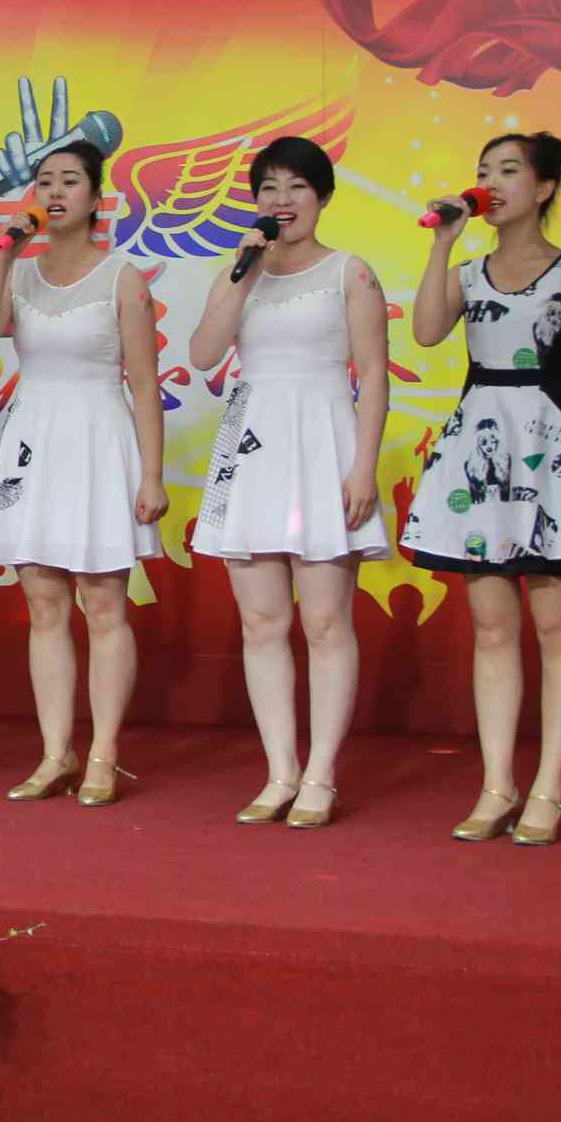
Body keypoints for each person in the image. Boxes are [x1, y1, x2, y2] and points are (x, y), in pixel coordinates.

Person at [404, 132, 561, 847]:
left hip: (552, 451)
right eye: (484, 171)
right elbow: (425, 332)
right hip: (480, 450)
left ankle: (549, 788)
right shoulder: (468, 273)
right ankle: (496, 785)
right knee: (492, 628)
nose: (492, 183)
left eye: (509, 171)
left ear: (542, 189)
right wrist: (443, 242)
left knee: (558, 627)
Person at [186, 137, 388, 828]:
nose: (282, 200)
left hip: (323, 444)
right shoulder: (238, 270)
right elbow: (203, 353)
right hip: (252, 447)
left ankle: (321, 775)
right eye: (269, 187)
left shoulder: (349, 273)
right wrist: (241, 274)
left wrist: (363, 466)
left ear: (322, 196)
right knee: (262, 621)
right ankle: (280, 773)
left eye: (297, 186)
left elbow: (374, 376)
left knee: (325, 621)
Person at [0, 140, 168, 807]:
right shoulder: (20, 273)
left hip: (100, 442)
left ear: (96, 198)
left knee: (103, 604)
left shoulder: (122, 278)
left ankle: (104, 753)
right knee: (44, 604)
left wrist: (152, 476)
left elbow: (144, 384)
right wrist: (4, 254)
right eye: (45, 181)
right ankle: (56, 753)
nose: (54, 192)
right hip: (34, 443)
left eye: (69, 181)